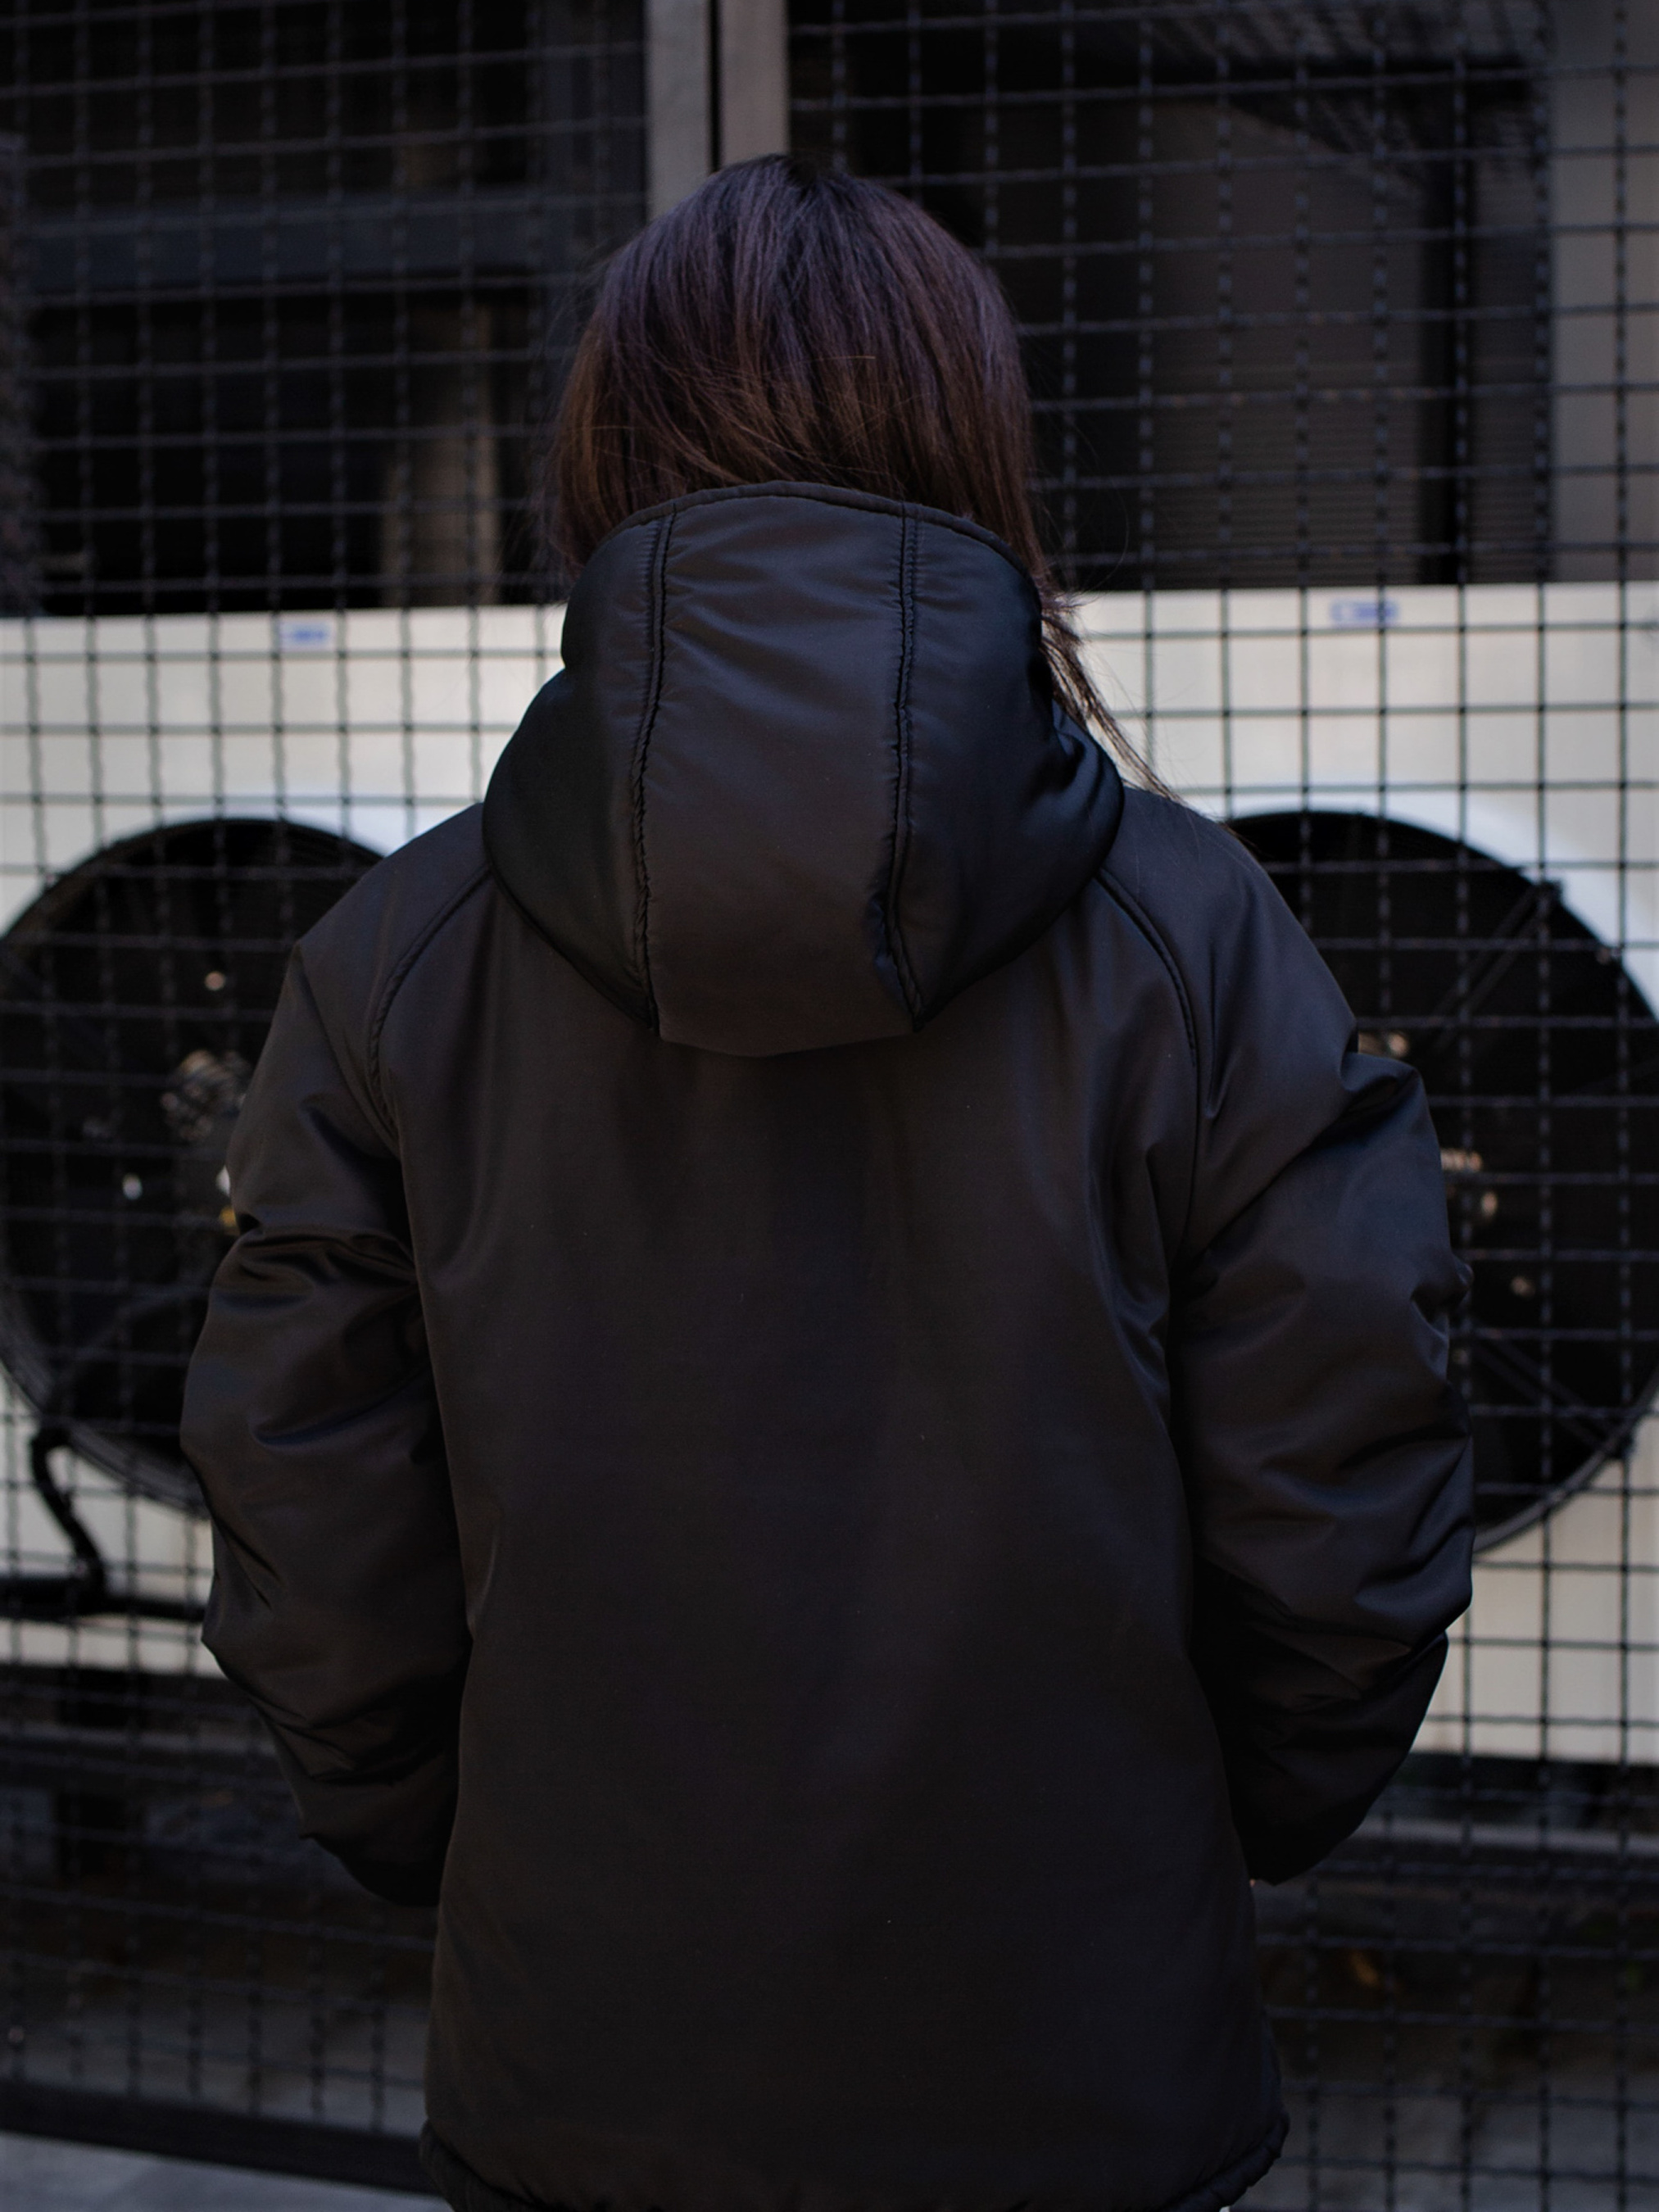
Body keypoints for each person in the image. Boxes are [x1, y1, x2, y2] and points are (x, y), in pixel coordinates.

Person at [182, 155, 1473, 2212]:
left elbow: (307, 1502)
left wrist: (453, 1839)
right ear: (976, 447)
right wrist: (1190, 1826)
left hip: (585, 2057)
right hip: (1083, 2060)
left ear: (598, 451)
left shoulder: (395, 962)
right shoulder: (1196, 939)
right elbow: (1344, 1478)